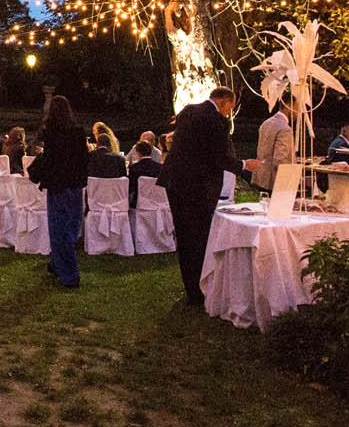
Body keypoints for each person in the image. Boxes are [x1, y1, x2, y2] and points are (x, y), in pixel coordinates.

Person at [160, 87, 239, 306]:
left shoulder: (188, 111)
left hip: (175, 181)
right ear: (224, 102)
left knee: (184, 235)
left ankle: (191, 288)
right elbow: (218, 157)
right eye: (230, 108)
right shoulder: (218, 121)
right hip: (197, 185)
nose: (228, 113)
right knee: (199, 236)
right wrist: (243, 165)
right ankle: (200, 289)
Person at [27, 95, 89, 289]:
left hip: (59, 186)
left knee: (60, 230)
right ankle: (56, 264)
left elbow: (51, 160)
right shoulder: (78, 132)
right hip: (74, 185)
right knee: (70, 227)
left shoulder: (52, 133)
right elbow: (84, 159)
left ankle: (69, 274)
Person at [255, 97, 300, 191]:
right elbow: (280, 160)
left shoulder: (266, 123)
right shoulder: (285, 129)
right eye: (297, 108)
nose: (298, 113)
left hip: (261, 178)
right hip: (275, 181)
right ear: (288, 106)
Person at [127, 136, 164, 207]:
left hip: (138, 204)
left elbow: (130, 188)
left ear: (138, 153)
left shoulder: (134, 168)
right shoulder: (160, 167)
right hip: (157, 202)